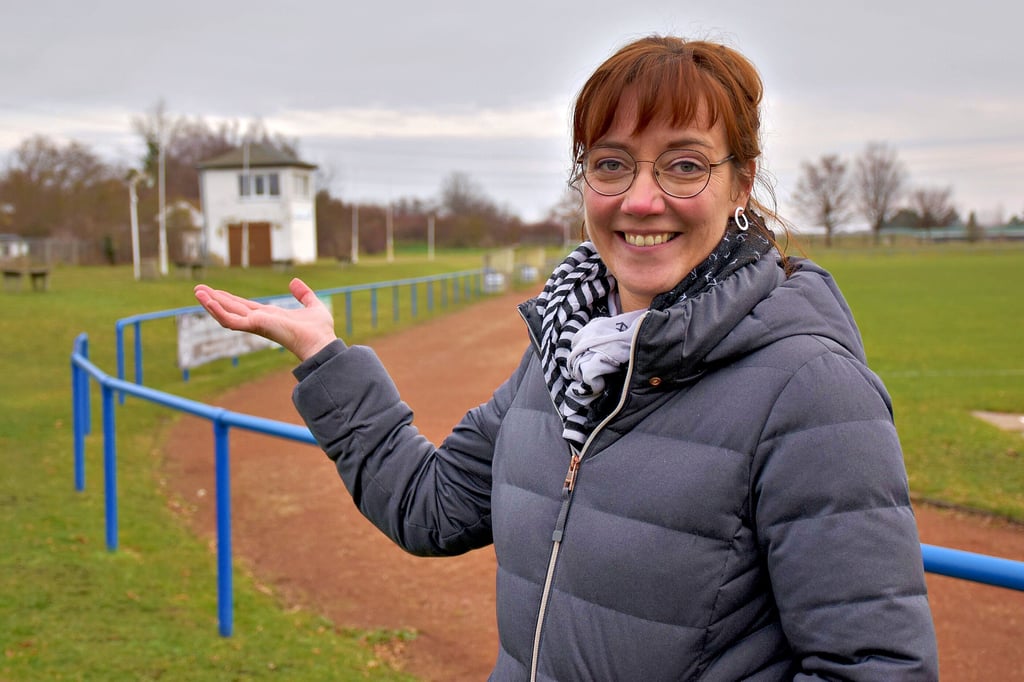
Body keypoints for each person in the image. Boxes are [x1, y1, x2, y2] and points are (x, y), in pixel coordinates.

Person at [195, 35, 938, 681]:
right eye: (612, 165)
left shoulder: (812, 390)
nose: (641, 200)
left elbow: (874, 667)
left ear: (741, 183)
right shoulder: (561, 356)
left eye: (683, 166)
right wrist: (325, 356)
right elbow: (429, 508)